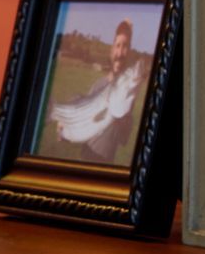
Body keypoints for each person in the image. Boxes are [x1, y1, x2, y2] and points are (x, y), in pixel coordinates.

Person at [48, 19, 143, 165]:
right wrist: (63, 133)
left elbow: (124, 140)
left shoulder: (126, 98)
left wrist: (124, 117)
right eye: (117, 45)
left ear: (129, 52)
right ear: (112, 50)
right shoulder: (97, 86)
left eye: (125, 47)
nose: (120, 52)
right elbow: (81, 130)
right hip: (85, 161)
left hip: (105, 166)